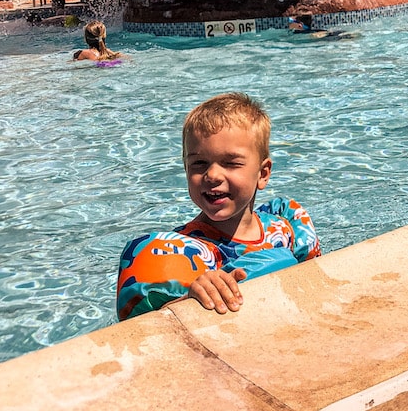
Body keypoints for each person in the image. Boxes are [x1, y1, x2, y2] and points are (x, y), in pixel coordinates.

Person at [116, 92, 320, 320]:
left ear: (263, 174)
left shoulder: (285, 229)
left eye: (231, 163)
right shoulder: (178, 254)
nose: (212, 175)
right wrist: (189, 298)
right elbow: (147, 327)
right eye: (199, 163)